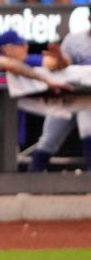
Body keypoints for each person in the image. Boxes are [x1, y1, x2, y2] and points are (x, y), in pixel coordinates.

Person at [0, 29, 70, 176]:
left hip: (8, 139)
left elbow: (58, 64)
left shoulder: (28, 61)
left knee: (2, 176)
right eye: (20, 44)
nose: (26, 47)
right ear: (6, 49)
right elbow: (9, 65)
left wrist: (60, 58)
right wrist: (45, 80)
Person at [29, 20, 91, 171]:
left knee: (88, 130)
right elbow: (63, 65)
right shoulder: (74, 39)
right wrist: (59, 57)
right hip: (67, 94)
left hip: (88, 97)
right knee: (49, 138)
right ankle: (31, 180)